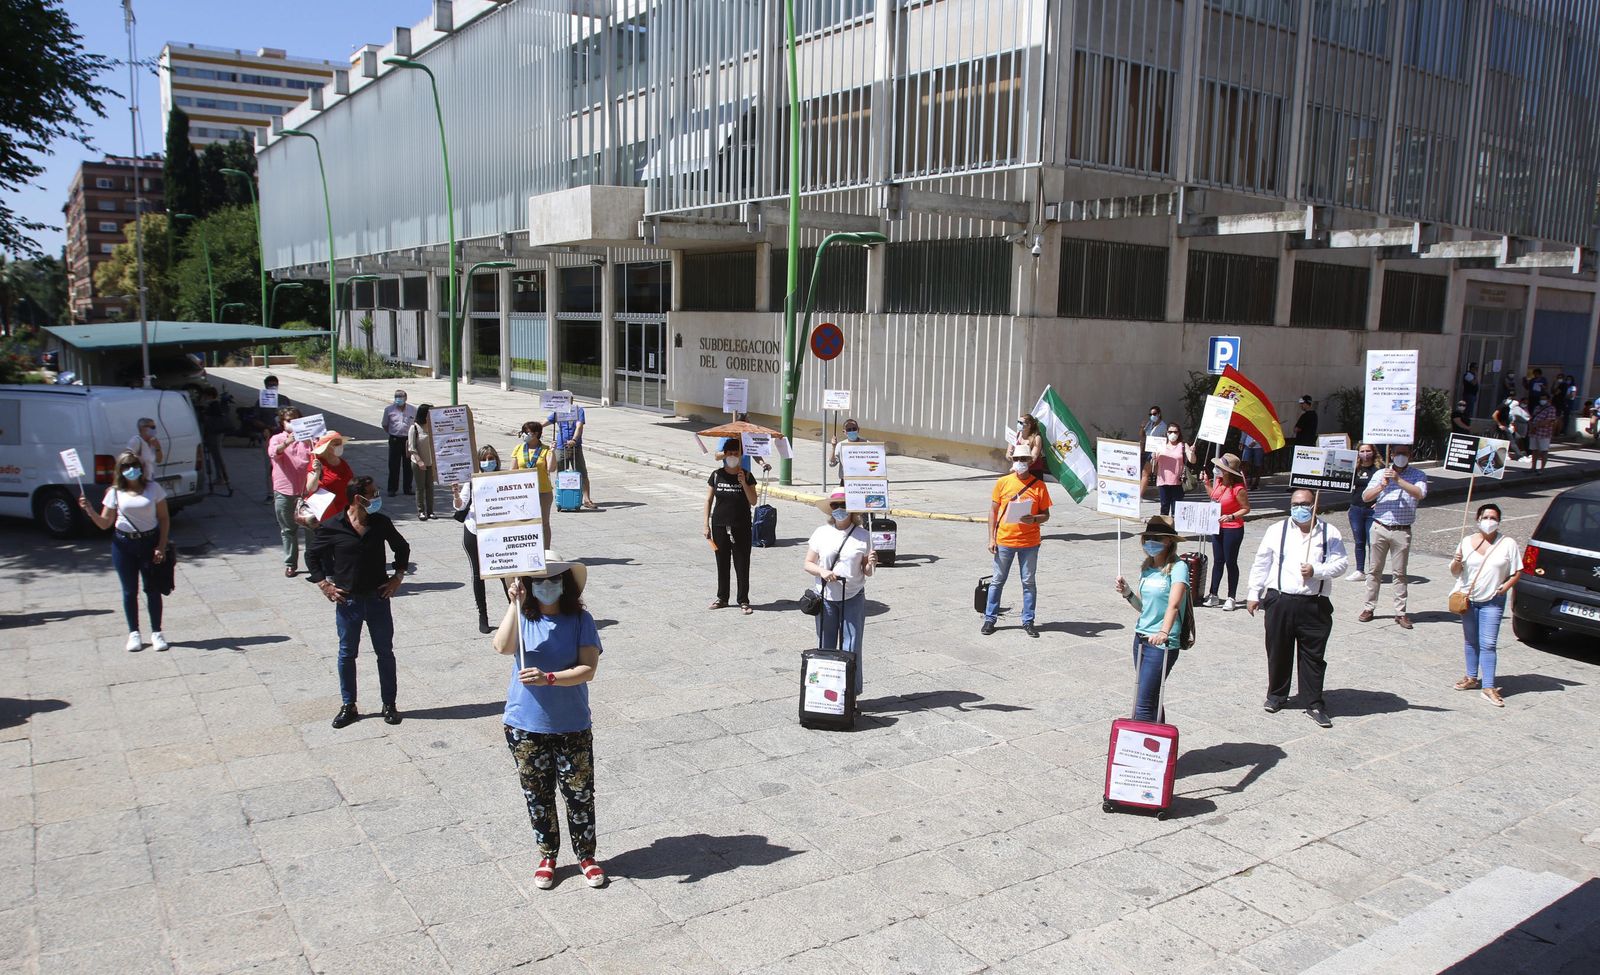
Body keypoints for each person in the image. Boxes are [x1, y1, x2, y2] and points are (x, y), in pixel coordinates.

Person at [492, 555, 606, 891]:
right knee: (537, 796)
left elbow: (588, 669)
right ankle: (547, 856)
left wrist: (550, 678)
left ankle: (586, 855)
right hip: (525, 724)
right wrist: (514, 604)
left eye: (553, 578)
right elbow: (502, 646)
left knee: (580, 794)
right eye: (538, 580)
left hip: (571, 723)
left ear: (565, 583)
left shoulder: (581, 620)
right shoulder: (522, 617)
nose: (546, 585)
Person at [306, 475, 409, 728]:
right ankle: (348, 705)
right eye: (372, 494)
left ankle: (389, 704)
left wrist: (397, 577)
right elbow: (311, 555)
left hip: (378, 598)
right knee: (346, 653)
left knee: (385, 652)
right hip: (348, 602)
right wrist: (324, 585)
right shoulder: (333, 526)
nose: (376, 498)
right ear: (357, 498)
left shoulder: (380, 523)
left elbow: (402, 547)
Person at [1246, 488, 1348, 728]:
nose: (1299, 508)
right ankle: (1277, 695)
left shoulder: (1329, 532)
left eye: (1304, 504)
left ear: (1314, 506)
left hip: (1314, 603)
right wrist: (1253, 593)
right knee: (1278, 650)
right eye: (1295, 504)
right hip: (1280, 600)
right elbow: (1262, 562)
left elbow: (1341, 563)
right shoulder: (1276, 530)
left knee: (1313, 655)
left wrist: (1317, 571)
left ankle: (1313, 701)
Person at [78, 450, 171, 653]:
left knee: (152, 588)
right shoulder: (114, 492)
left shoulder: (153, 488)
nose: (132, 470)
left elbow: (164, 518)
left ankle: (157, 632)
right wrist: (89, 510)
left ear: (141, 468)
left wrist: (161, 546)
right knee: (129, 590)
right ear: (120, 470)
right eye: (127, 466)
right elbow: (105, 523)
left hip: (149, 542)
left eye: (135, 465)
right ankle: (134, 632)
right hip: (123, 545)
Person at [1113, 516, 1187, 721]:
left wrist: (1163, 632)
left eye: (1157, 538)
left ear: (1169, 541)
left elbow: (1174, 605)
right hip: (1141, 638)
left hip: (1162, 643)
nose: (1150, 542)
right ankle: (1159, 741)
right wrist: (1128, 593)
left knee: (1143, 705)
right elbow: (1144, 608)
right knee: (1151, 698)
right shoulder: (1147, 567)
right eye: (1147, 538)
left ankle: (1139, 741)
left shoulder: (1178, 568)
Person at [803, 491, 876, 694]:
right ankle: (822, 693)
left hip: (852, 596)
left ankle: (851, 694)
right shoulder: (821, 533)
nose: (839, 509)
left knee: (851, 647)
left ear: (851, 509)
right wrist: (823, 572)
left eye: (843, 505)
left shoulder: (863, 536)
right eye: (834, 505)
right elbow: (808, 563)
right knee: (825, 645)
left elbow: (867, 572)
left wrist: (871, 563)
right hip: (825, 597)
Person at [1449, 504, 1521, 708]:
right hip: (1468, 599)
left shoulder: (1508, 543)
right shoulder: (1466, 542)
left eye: (1494, 518)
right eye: (1486, 517)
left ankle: (1489, 687)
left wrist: (1506, 586)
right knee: (1470, 640)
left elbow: (1517, 571)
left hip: (1492, 601)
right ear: (1478, 519)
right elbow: (1455, 571)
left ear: (1499, 521)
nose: (1489, 521)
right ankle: (1471, 677)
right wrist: (1456, 561)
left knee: (1488, 644)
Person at [982, 446, 1053, 637]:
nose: (1020, 462)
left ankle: (1028, 620)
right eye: (1017, 458)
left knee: (1028, 582)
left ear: (1030, 461)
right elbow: (993, 511)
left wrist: (1035, 518)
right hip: (1005, 540)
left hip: (1030, 543)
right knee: (997, 581)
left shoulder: (1039, 486)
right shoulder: (1003, 482)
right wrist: (991, 538)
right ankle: (990, 618)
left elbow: (1046, 514)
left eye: (1024, 459)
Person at [1359, 443, 1428, 629]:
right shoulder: (1381, 474)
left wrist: (1398, 480)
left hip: (1401, 530)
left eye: (1404, 453)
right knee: (1374, 570)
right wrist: (1381, 486)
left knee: (1400, 573)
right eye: (1397, 453)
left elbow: (1420, 493)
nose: (1400, 456)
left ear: (1410, 455)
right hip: (1380, 526)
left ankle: (1400, 612)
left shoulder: (1418, 475)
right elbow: (1366, 497)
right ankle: (1368, 607)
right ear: (1392, 455)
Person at [453, 445, 508, 634]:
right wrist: (455, 493)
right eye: (484, 459)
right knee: (478, 574)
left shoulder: (504, 479)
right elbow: (460, 506)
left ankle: (515, 611)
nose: (488, 462)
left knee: (505, 572)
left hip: (497, 532)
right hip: (474, 531)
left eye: (491, 458)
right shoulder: (471, 481)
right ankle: (482, 615)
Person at [704, 438, 758, 613]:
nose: (733, 456)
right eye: (730, 453)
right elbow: (708, 500)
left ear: (741, 455)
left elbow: (753, 501)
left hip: (741, 526)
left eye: (736, 453)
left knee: (742, 563)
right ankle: (722, 598)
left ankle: (743, 600)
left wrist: (743, 483)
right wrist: (705, 524)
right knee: (722, 562)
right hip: (719, 525)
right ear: (725, 455)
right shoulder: (716, 475)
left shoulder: (747, 476)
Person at [1199, 453, 1250, 610]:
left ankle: (1231, 596)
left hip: (1233, 528)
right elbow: (1214, 497)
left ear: (1227, 471)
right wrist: (1206, 483)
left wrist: (1231, 516)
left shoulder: (1238, 489)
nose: (1216, 469)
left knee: (1230, 562)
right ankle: (1213, 594)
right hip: (1217, 527)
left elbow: (1246, 508)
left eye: (1219, 467)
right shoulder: (1219, 482)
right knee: (1218, 561)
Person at [268, 407, 313, 577]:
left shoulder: (309, 439)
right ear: (282, 422)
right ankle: (290, 563)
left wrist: (311, 441)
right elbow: (274, 453)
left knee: (312, 529)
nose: (292, 423)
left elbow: (321, 454)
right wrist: (287, 442)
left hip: (307, 490)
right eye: (288, 420)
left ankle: (313, 563)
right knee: (288, 529)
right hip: (284, 490)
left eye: (295, 420)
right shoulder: (276, 438)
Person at [511, 421, 556, 545]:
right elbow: (512, 470)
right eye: (523, 432)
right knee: (525, 522)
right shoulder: (519, 448)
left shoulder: (545, 449)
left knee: (544, 523)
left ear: (536, 434)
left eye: (526, 432)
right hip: (523, 492)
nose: (524, 435)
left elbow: (551, 468)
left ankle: (546, 549)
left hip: (542, 491)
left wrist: (552, 452)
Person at [547, 404, 596, 510]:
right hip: (561, 446)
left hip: (575, 446)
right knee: (561, 473)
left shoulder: (578, 410)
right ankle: (561, 498)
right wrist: (531, 428)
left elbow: (579, 426)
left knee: (582, 473)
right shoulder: (558, 411)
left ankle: (587, 500)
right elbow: (547, 421)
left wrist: (574, 439)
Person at [1344, 443, 1381, 582]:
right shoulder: (1355, 468)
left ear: (1373, 452)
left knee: (1373, 542)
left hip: (1373, 510)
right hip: (1356, 509)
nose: (1365, 454)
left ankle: (1373, 572)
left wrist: (1380, 501)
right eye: (1362, 451)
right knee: (1359, 541)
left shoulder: (1380, 469)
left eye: (1368, 451)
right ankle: (1360, 570)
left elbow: (1388, 487)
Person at [306, 432, 355, 524]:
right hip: (327, 510)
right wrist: (317, 473)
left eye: (340, 443)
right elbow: (311, 488)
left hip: (345, 508)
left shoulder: (342, 462)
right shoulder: (317, 463)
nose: (340, 446)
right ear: (326, 447)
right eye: (336, 444)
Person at [1151, 422, 1197, 516]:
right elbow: (1153, 464)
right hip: (1163, 481)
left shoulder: (1183, 445)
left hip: (1178, 482)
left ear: (1179, 433)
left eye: (1175, 432)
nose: (1173, 434)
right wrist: (1153, 458)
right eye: (1170, 431)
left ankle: (1175, 524)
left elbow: (1192, 461)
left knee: (1176, 511)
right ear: (1166, 433)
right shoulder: (1160, 445)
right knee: (1164, 508)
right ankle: (1164, 525)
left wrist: (1192, 452)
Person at [382, 389, 416, 497]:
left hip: (408, 440)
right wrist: (393, 433)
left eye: (401, 398)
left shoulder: (412, 409)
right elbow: (385, 424)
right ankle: (392, 489)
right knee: (393, 465)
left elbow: (416, 424)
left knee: (408, 465)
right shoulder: (389, 409)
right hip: (395, 439)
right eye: (397, 398)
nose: (399, 400)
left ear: (406, 398)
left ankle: (407, 488)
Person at [198, 388, 232, 495]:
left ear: (209, 396)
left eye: (205, 396)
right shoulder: (215, 405)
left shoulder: (214, 405)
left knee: (217, 456)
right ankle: (220, 476)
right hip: (214, 433)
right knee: (216, 456)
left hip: (214, 433)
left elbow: (208, 419)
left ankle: (222, 477)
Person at [407, 404, 436, 519]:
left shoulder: (433, 426)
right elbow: (412, 448)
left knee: (430, 487)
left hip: (430, 462)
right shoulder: (414, 428)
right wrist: (419, 461)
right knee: (420, 487)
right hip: (418, 462)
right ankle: (421, 511)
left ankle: (431, 511)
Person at [828, 418, 867, 485]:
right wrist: (833, 447)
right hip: (845, 482)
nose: (852, 431)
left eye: (854, 429)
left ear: (858, 430)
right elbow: (832, 463)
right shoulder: (840, 445)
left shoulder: (867, 444)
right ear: (844, 432)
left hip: (863, 482)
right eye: (849, 430)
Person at [126, 416, 164, 480]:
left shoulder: (153, 441)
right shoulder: (136, 441)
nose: (154, 429)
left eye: (154, 427)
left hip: (150, 478)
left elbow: (159, 460)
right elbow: (126, 460)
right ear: (142, 428)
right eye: (152, 427)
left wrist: (158, 448)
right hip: (139, 480)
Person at [1528, 395, 1558, 473]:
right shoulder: (1537, 408)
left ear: (1548, 400)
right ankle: (1533, 467)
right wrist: (1531, 427)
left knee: (1543, 451)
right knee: (1534, 450)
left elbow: (1548, 421)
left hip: (1544, 433)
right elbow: (1532, 418)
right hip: (1534, 433)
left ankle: (1542, 469)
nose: (1542, 400)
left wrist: (1535, 426)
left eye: (1544, 399)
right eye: (1541, 399)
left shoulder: (1551, 409)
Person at [1013, 413, 1046, 479]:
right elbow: (1009, 452)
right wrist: (1010, 454)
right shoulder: (1017, 435)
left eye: (1021, 423)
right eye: (1018, 422)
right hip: (1019, 470)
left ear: (1029, 425)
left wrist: (1020, 466)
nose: (1018, 424)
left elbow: (1033, 457)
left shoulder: (1036, 438)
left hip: (1034, 471)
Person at [1140, 406, 1165, 489]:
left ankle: (1139, 495)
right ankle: (1165, 491)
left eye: (1154, 414)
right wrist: (1142, 427)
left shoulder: (1163, 426)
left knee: (1145, 473)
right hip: (1148, 451)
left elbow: (1165, 439)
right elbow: (1142, 435)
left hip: (1156, 452)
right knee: (1158, 474)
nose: (1152, 416)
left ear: (1159, 414)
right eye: (1150, 414)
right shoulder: (1150, 423)